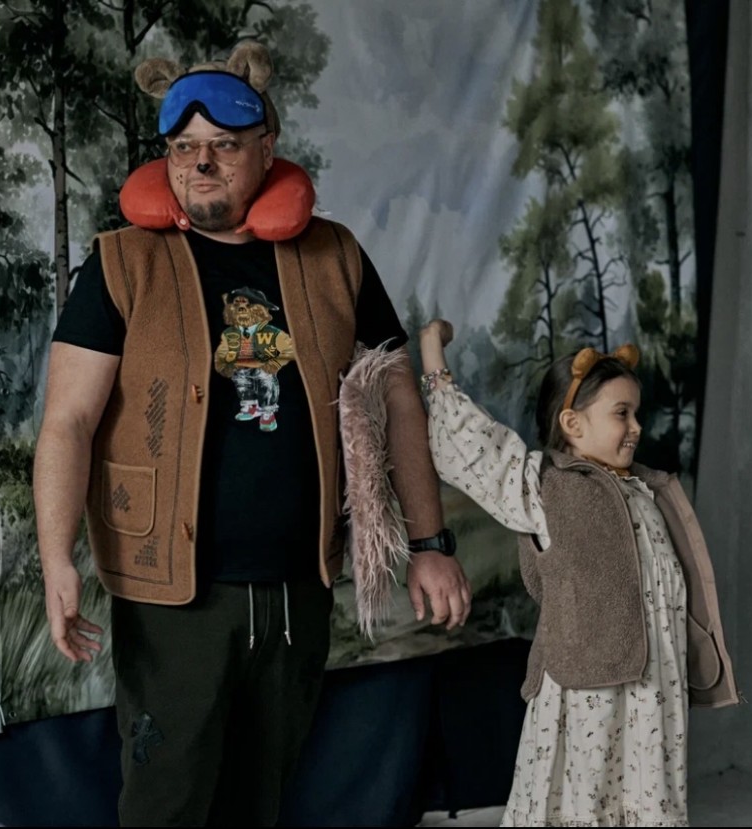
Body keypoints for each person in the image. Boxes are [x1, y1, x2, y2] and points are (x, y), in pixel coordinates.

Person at [33, 41, 471, 827]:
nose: (201, 163)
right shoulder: (122, 265)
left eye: (224, 146)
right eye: (183, 148)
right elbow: (68, 421)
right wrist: (56, 557)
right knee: (166, 802)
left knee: (260, 800)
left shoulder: (334, 255)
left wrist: (430, 544)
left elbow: (400, 395)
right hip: (174, 597)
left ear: (267, 149)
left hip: (298, 584)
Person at [418, 319, 739, 827]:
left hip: (653, 688)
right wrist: (433, 355)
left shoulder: (647, 489)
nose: (637, 426)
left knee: (644, 796)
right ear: (573, 423)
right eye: (622, 413)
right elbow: (471, 445)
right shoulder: (546, 486)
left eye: (637, 413)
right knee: (582, 799)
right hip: (588, 689)